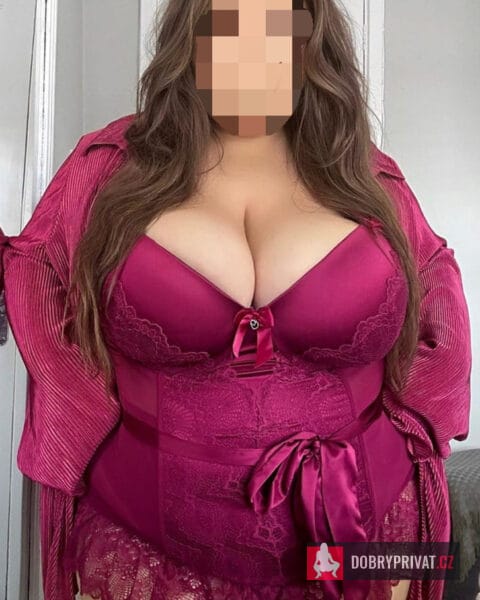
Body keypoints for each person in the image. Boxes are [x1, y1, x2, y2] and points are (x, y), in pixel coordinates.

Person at [0, 0, 471, 599]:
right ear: (190, 43)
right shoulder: (110, 169)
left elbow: (437, 281)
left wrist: (417, 422)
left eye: (277, 31)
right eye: (227, 30)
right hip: (145, 547)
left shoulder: (366, 178)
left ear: (310, 46)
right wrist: (82, 414)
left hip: (363, 538)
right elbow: (36, 269)